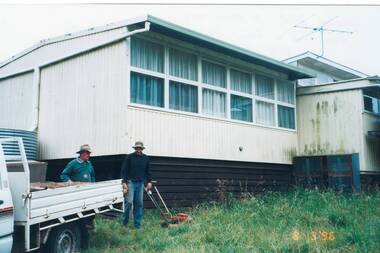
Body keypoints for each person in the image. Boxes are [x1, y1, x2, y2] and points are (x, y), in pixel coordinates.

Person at [121, 141, 152, 229]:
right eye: (137, 148)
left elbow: (148, 171)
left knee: (139, 204)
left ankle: (137, 225)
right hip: (130, 183)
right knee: (129, 202)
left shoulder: (146, 158)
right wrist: (124, 182)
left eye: (140, 148)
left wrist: (149, 182)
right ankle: (125, 223)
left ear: (142, 149)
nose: (138, 150)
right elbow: (124, 170)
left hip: (140, 183)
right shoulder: (129, 157)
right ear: (135, 148)